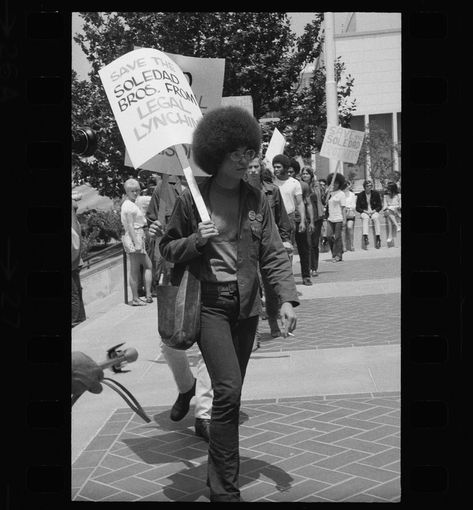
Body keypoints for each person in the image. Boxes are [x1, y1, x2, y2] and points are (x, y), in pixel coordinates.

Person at [159, 106, 299, 502]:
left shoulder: (257, 198)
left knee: (229, 395)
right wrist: (196, 241)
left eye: (248, 151)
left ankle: (217, 475)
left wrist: (286, 300)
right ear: (216, 153)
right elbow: (166, 248)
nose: (245, 159)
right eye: (236, 152)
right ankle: (224, 490)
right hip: (208, 305)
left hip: (246, 308)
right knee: (228, 388)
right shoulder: (192, 198)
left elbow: (272, 253)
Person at [147, 179, 213, 443]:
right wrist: (152, 231)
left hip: (207, 275)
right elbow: (154, 230)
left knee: (209, 344)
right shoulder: (163, 188)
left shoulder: (215, 187)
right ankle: (187, 388)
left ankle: (204, 414)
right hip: (174, 274)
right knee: (170, 343)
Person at [245, 157, 293, 341]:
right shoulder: (240, 192)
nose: (253, 170)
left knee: (271, 287)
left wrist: (286, 240)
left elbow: (282, 219)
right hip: (248, 246)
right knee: (253, 287)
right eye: (250, 167)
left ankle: (273, 321)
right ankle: (254, 329)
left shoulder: (273, 191)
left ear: (261, 168)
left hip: (269, 244)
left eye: (256, 166)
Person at [272, 154, 312, 286]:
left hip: (292, 218)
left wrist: (302, 221)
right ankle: (286, 278)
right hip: (276, 220)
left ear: (285, 167)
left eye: (278, 167)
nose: (276, 169)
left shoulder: (295, 183)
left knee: (300, 248)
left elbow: (300, 203)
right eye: (274, 167)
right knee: (283, 250)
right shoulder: (271, 183)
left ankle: (306, 276)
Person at [120, 178, 153, 305]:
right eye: (132, 191)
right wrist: (136, 242)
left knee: (144, 266)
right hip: (134, 235)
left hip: (137, 235)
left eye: (137, 190)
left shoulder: (130, 203)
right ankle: (136, 298)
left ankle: (145, 295)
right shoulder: (128, 205)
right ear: (127, 191)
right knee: (138, 268)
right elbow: (130, 225)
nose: (135, 193)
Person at [288, 158, 315, 285]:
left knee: (304, 249)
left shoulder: (303, 185)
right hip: (286, 222)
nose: (289, 174)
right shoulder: (279, 185)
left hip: (300, 221)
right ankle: (287, 277)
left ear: (296, 172)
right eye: (287, 171)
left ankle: (306, 275)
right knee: (287, 250)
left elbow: (308, 204)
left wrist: (311, 222)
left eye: (291, 171)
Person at [300, 166, 325, 276]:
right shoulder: (299, 186)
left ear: (311, 175)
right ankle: (308, 267)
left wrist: (326, 192)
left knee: (315, 244)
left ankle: (314, 268)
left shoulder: (317, 186)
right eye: (303, 174)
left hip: (317, 217)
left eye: (307, 174)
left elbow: (322, 200)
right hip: (305, 217)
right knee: (307, 244)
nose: (305, 175)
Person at [325, 172, 347, 262]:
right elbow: (324, 202)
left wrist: (344, 219)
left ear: (340, 184)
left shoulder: (341, 194)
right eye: (333, 182)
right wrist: (327, 192)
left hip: (338, 218)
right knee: (329, 236)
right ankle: (338, 251)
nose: (335, 185)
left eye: (337, 183)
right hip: (330, 218)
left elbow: (343, 208)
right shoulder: (329, 193)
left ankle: (337, 255)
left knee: (337, 237)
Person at [356, 179, 383, 249]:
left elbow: (380, 206)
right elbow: (357, 208)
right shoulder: (360, 195)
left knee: (375, 218)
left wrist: (374, 211)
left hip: (374, 211)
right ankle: (365, 237)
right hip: (365, 212)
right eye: (368, 186)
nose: (369, 187)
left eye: (371, 186)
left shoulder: (375, 194)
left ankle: (378, 238)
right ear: (364, 187)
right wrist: (365, 211)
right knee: (365, 218)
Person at [72, 199, 86, 326]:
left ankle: (76, 318)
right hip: (76, 260)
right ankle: (80, 316)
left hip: (73, 261)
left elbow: (75, 244)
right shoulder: (75, 222)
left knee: (73, 291)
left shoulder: (73, 223)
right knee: (76, 289)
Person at [383, 181, 402, 247]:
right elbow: (384, 206)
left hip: (397, 211)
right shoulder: (386, 196)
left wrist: (395, 207)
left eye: (389, 189)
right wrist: (389, 207)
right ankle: (397, 226)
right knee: (388, 211)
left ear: (393, 189)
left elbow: (400, 206)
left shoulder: (399, 195)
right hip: (389, 211)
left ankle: (390, 236)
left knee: (389, 217)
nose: (387, 190)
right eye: (387, 189)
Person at [342, 179, 357, 252]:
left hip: (350, 214)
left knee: (349, 227)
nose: (346, 187)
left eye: (347, 185)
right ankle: (344, 246)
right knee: (343, 228)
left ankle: (352, 245)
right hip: (342, 215)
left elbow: (354, 206)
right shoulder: (340, 194)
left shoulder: (352, 194)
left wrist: (348, 208)